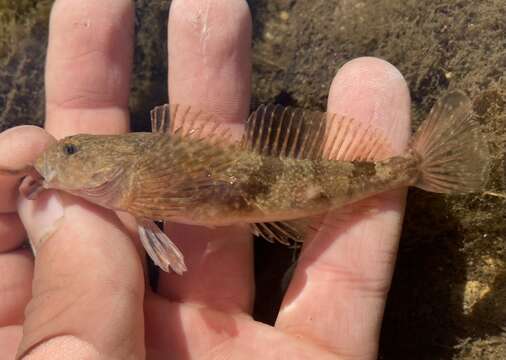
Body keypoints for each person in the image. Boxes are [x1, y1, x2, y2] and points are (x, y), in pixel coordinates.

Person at [0, 0, 411, 358]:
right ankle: (404, 170)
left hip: (277, 189)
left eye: (71, 150)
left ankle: (409, 169)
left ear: (111, 162)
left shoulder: (137, 179)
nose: (58, 155)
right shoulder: (133, 183)